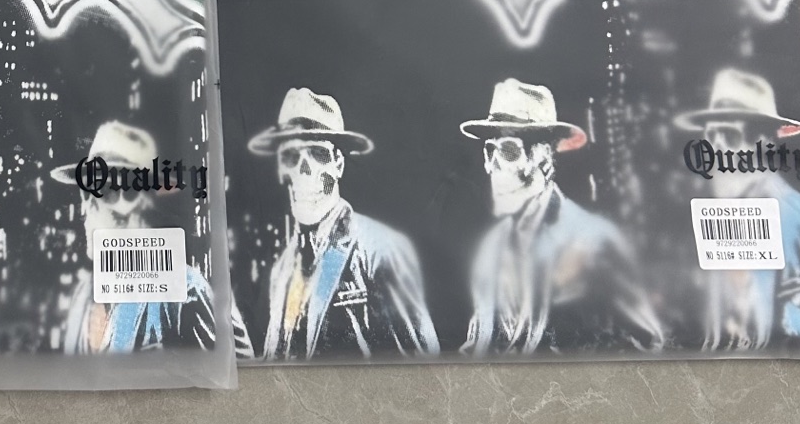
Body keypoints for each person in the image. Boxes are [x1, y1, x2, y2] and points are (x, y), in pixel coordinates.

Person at [461, 79, 663, 355]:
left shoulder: (595, 241)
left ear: (544, 158)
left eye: (508, 151)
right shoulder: (491, 248)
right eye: (489, 151)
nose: (494, 167)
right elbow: (478, 343)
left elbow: (646, 344)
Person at [249, 88, 438, 360]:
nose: (304, 171)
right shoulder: (282, 270)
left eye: (318, 153)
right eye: (290, 157)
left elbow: (422, 366)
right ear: (281, 169)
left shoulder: (380, 252)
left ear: (338, 164)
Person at [50, 120, 243, 354]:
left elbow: (232, 361)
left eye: (103, 190)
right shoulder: (83, 296)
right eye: (84, 191)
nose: (86, 208)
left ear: (142, 203)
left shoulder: (186, 291)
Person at [676, 67, 800, 349]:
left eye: (730, 136)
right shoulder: (708, 222)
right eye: (711, 135)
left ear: (764, 143)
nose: (715, 150)